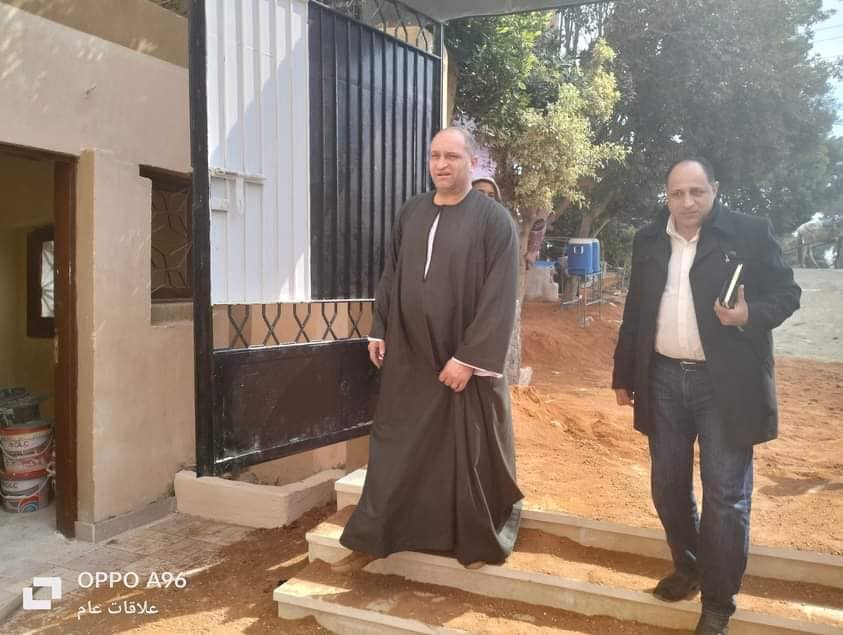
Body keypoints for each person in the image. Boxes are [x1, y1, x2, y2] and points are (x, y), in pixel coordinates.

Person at [612, 157, 801, 635]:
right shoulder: (649, 239)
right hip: (662, 379)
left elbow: (788, 293)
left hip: (726, 385)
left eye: (697, 191)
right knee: (667, 486)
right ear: (667, 194)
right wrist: (623, 373)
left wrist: (748, 315)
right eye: (677, 193)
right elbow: (636, 309)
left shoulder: (748, 233)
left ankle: (719, 602)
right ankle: (690, 566)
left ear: (714, 189)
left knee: (725, 498)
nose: (688, 202)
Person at [333, 127, 523, 573]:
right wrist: (380, 328)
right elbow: (392, 273)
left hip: (460, 359)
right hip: (410, 354)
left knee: (465, 450)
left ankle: (470, 537)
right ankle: (381, 534)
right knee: (396, 443)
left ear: (471, 163)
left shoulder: (495, 222)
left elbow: (499, 296)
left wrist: (469, 358)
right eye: (435, 156)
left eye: (451, 157)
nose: (441, 164)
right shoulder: (411, 212)